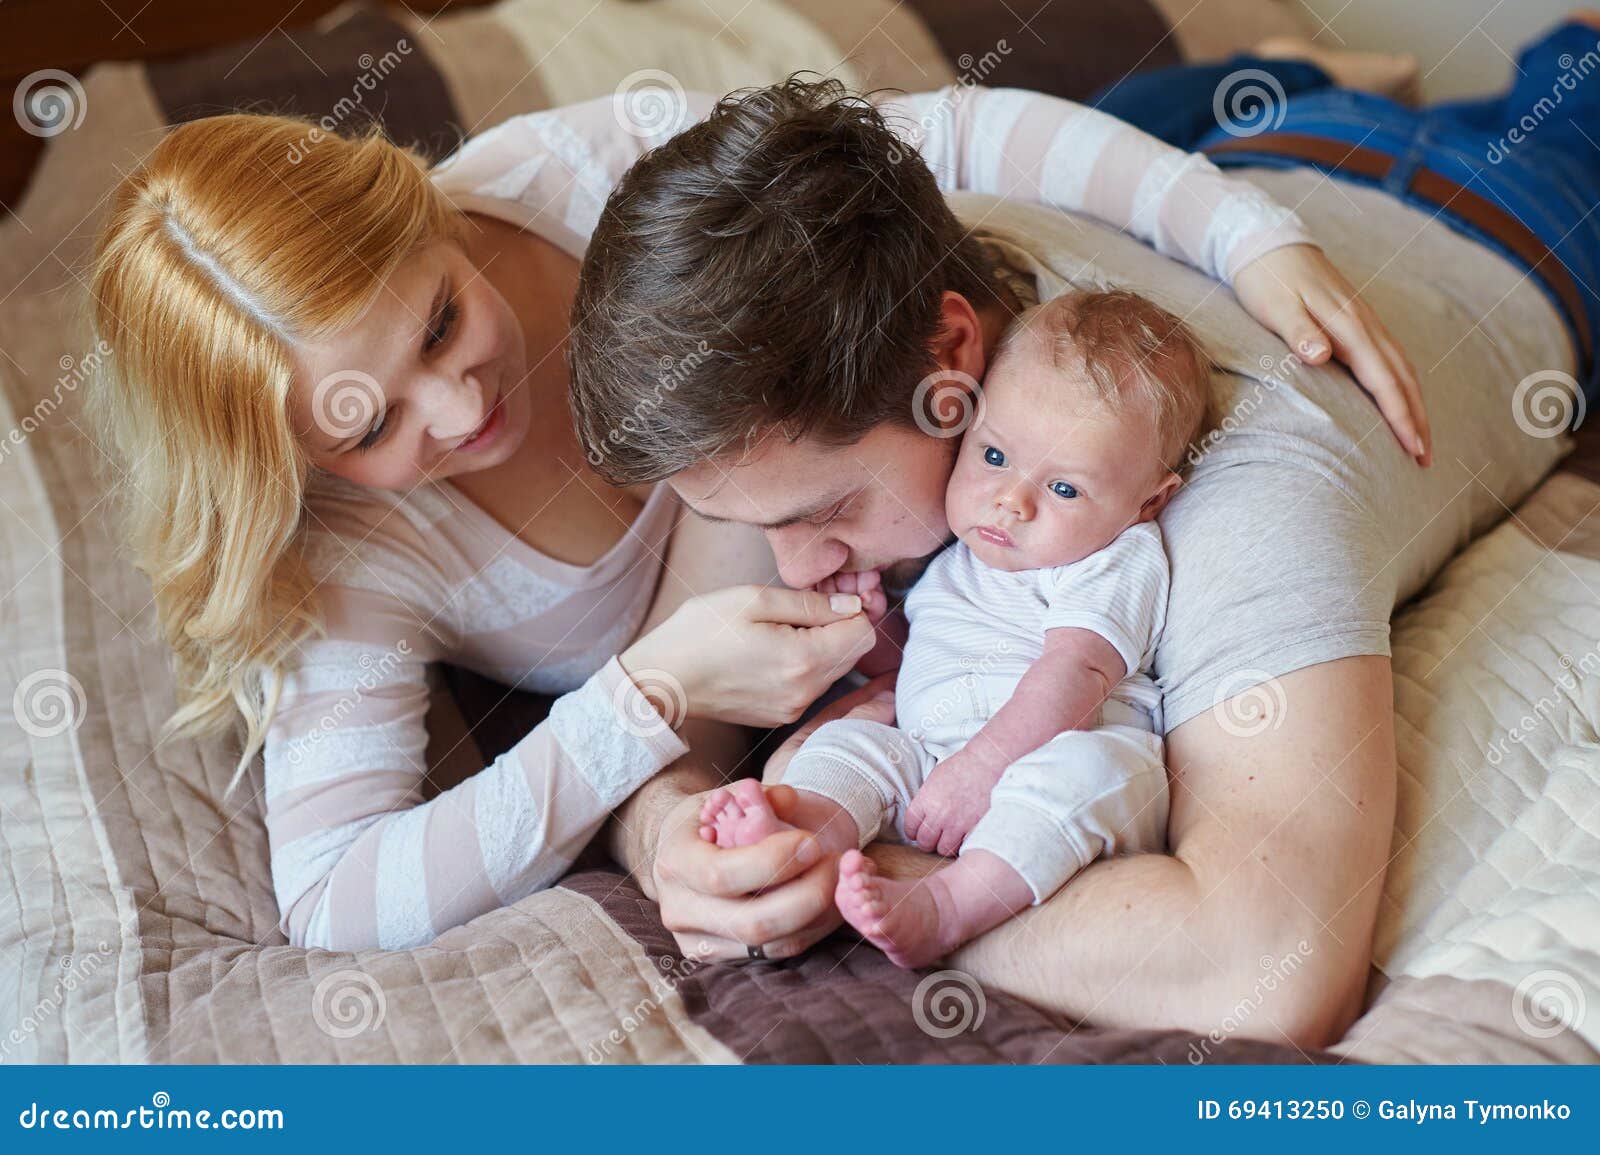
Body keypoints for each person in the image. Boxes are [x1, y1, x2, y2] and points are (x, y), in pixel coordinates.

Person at [82, 75, 1381, 951]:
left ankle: (1265, 91)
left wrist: (1250, 235)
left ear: (425, 209)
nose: (457, 401)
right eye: (367, 424)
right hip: (879, 624)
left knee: (1209, 112)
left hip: (963, 335)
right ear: (291, 463)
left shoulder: (583, 182)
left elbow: (941, 134)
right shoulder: (358, 550)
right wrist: (641, 698)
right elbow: (330, 893)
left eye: (439, 319)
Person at [570, 26, 1593, 1044]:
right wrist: (672, 841)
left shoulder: (1238, 486)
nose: (793, 569)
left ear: (951, 353)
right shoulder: (817, 339)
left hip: (1507, 217)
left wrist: (858, 881)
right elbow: (664, 717)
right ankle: (1292, 68)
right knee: (1189, 97)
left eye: (826, 515)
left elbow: (1267, 972)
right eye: (745, 526)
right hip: (1250, 147)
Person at [698, 289, 1209, 970]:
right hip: (932, 752)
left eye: (1063, 489)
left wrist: (985, 767)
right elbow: (904, 665)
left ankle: (947, 906)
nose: (1012, 500)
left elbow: (1077, 675)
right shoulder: (962, 551)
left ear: (1149, 499)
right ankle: (798, 836)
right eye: (995, 457)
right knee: (850, 740)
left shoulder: (1115, 556)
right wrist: (871, 623)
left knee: (1090, 774)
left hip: (1052, 754)